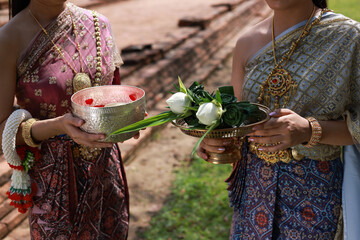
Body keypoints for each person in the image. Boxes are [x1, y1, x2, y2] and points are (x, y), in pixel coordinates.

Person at [198, 0, 360, 239]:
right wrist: (215, 141)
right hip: (254, 190)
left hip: (317, 193)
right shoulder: (246, 43)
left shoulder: (349, 38)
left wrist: (309, 130)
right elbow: (238, 124)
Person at [0, 0, 131, 239]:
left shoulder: (97, 25)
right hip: (55, 186)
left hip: (105, 172)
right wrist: (58, 126)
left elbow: (115, 95)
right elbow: (1, 128)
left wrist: (127, 118)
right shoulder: (8, 39)